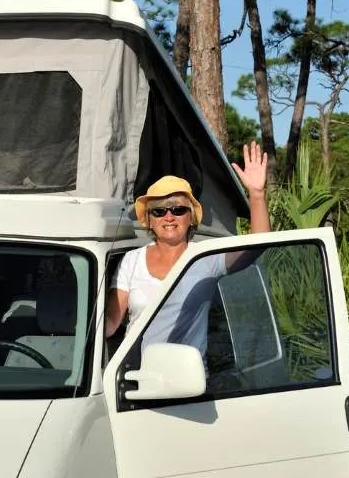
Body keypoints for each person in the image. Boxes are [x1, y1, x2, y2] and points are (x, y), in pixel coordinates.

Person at [105, 141, 271, 358]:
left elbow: (258, 246)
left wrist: (257, 195)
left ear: (191, 217)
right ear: (148, 220)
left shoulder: (204, 257)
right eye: (159, 211)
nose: (169, 216)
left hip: (189, 384)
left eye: (178, 209)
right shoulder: (131, 260)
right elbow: (110, 323)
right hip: (136, 381)